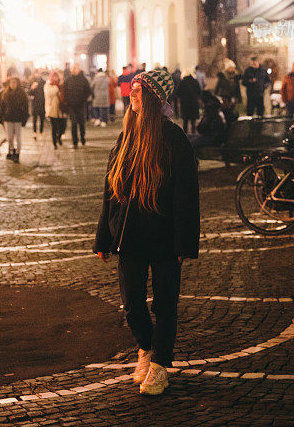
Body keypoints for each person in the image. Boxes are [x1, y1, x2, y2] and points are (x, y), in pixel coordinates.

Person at [94, 68, 199, 396]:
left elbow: (186, 193)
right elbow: (110, 191)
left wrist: (184, 240)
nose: (130, 94)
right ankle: (145, 346)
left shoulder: (173, 138)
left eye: (138, 90)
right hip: (130, 235)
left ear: (154, 97)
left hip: (165, 235)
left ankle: (159, 365)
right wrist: (103, 236)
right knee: (132, 304)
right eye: (132, 89)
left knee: (165, 303)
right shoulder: (125, 135)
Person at [0, 76, 29, 162]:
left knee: (18, 137)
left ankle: (18, 152)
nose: (13, 84)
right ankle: (11, 151)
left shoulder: (22, 94)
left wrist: (25, 118)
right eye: (11, 83)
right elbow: (2, 106)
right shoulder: (6, 94)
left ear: (18, 84)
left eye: (15, 82)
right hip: (8, 118)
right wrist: (0, 117)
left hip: (18, 118)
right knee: (9, 137)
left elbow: (25, 107)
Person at [64, 65, 92, 148]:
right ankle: (75, 141)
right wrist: (67, 101)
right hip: (71, 105)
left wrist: (84, 99)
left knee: (81, 123)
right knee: (73, 123)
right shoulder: (68, 79)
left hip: (80, 105)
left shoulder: (83, 79)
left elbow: (88, 91)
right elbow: (65, 91)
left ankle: (82, 138)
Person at [44, 71, 64, 149]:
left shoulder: (61, 85)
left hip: (61, 108)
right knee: (54, 127)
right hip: (52, 108)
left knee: (62, 126)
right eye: (54, 76)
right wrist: (57, 88)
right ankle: (54, 142)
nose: (55, 78)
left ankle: (59, 137)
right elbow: (50, 93)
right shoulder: (48, 85)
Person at [28, 72, 46, 139]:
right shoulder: (32, 82)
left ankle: (41, 132)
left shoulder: (43, 82)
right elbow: (30, 93)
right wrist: (32, 88)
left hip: (42, 103)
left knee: (42, 119)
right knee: (34, 119)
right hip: (35, 103)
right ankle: (34, 132)